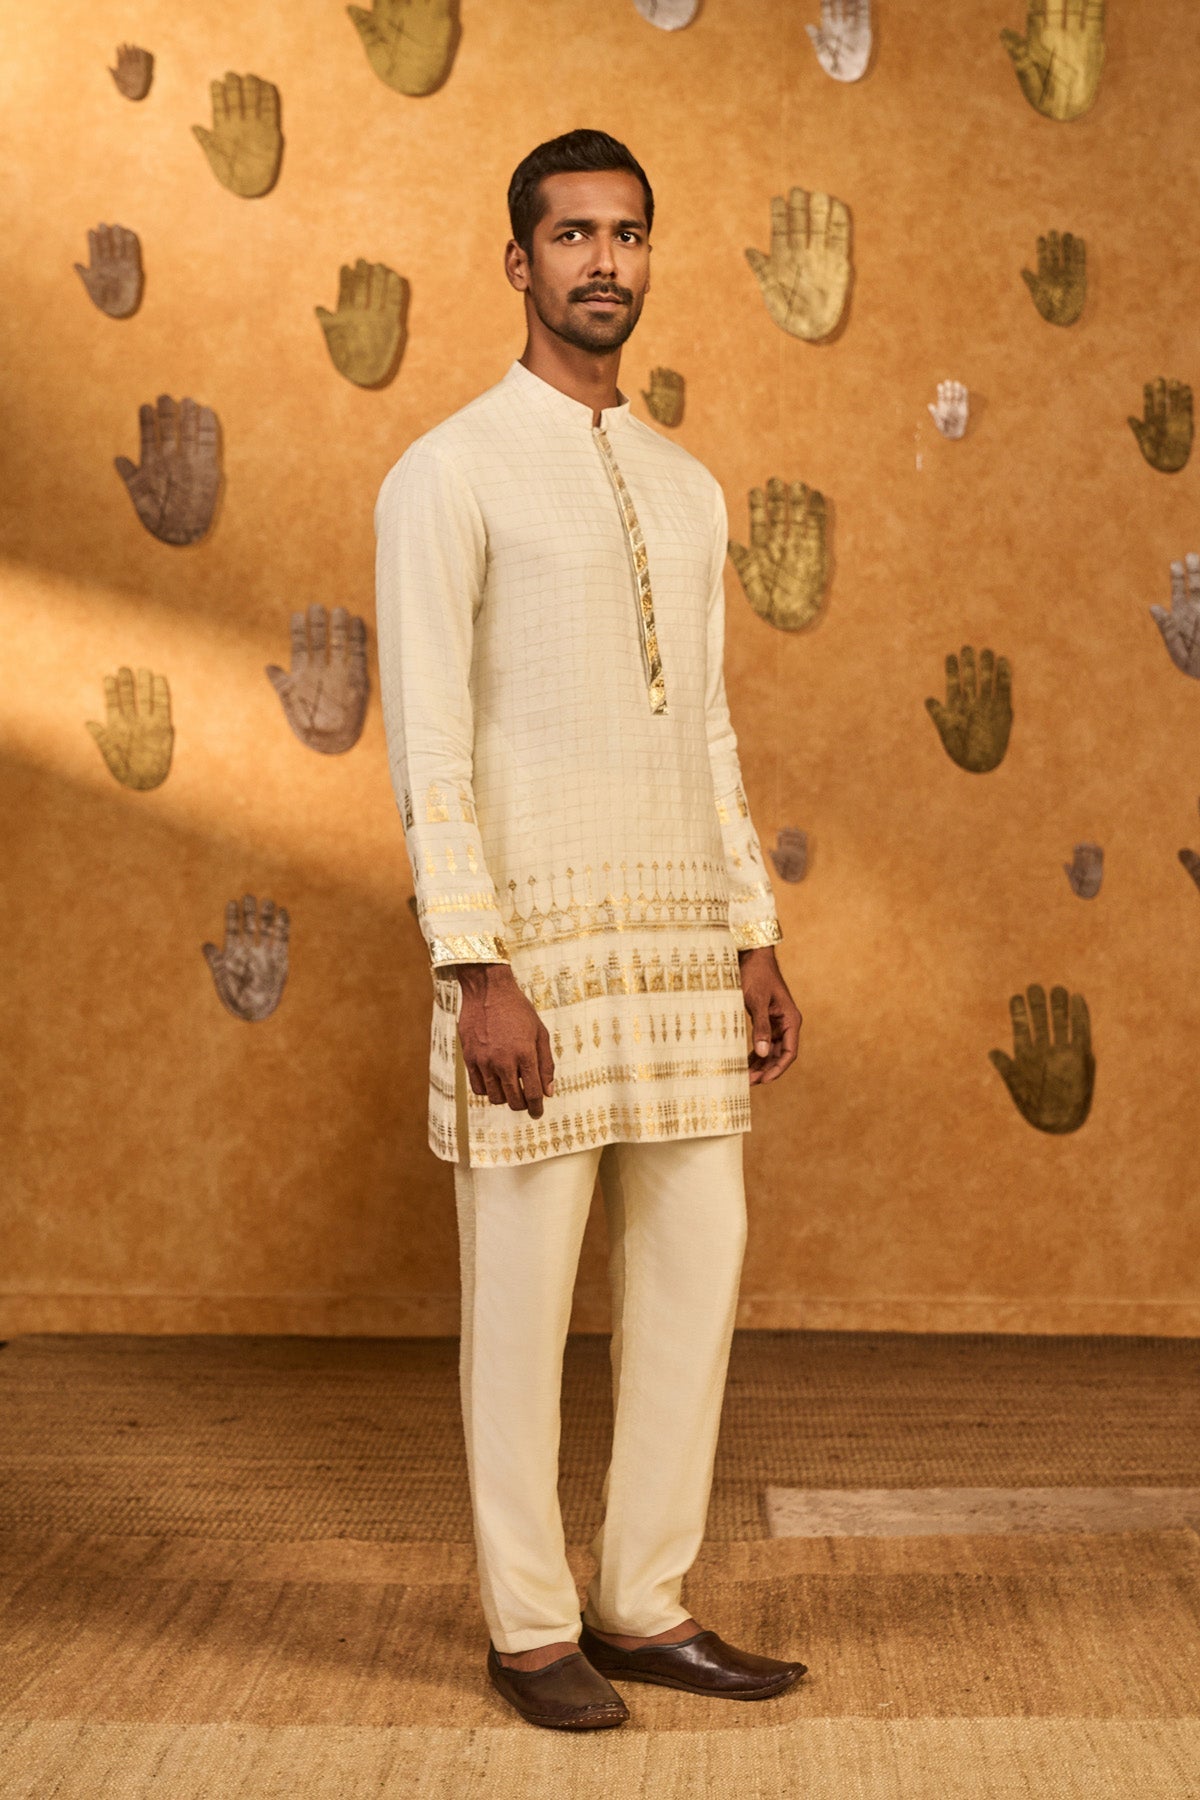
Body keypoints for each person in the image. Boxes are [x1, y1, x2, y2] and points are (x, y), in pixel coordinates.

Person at [374, 128, 806, 1732]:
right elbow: (426, 743)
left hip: (682, 954)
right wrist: (475, 968)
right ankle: (531, 1626)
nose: (604, 262)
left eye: (627, 234)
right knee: (520, 1304)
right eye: (572, 235)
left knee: (695, 1276)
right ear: (520, 262)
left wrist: (752, 934)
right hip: (533, 963)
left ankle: (644, 1602)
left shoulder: (689, 490)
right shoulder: (449, 471)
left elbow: (709, 729)